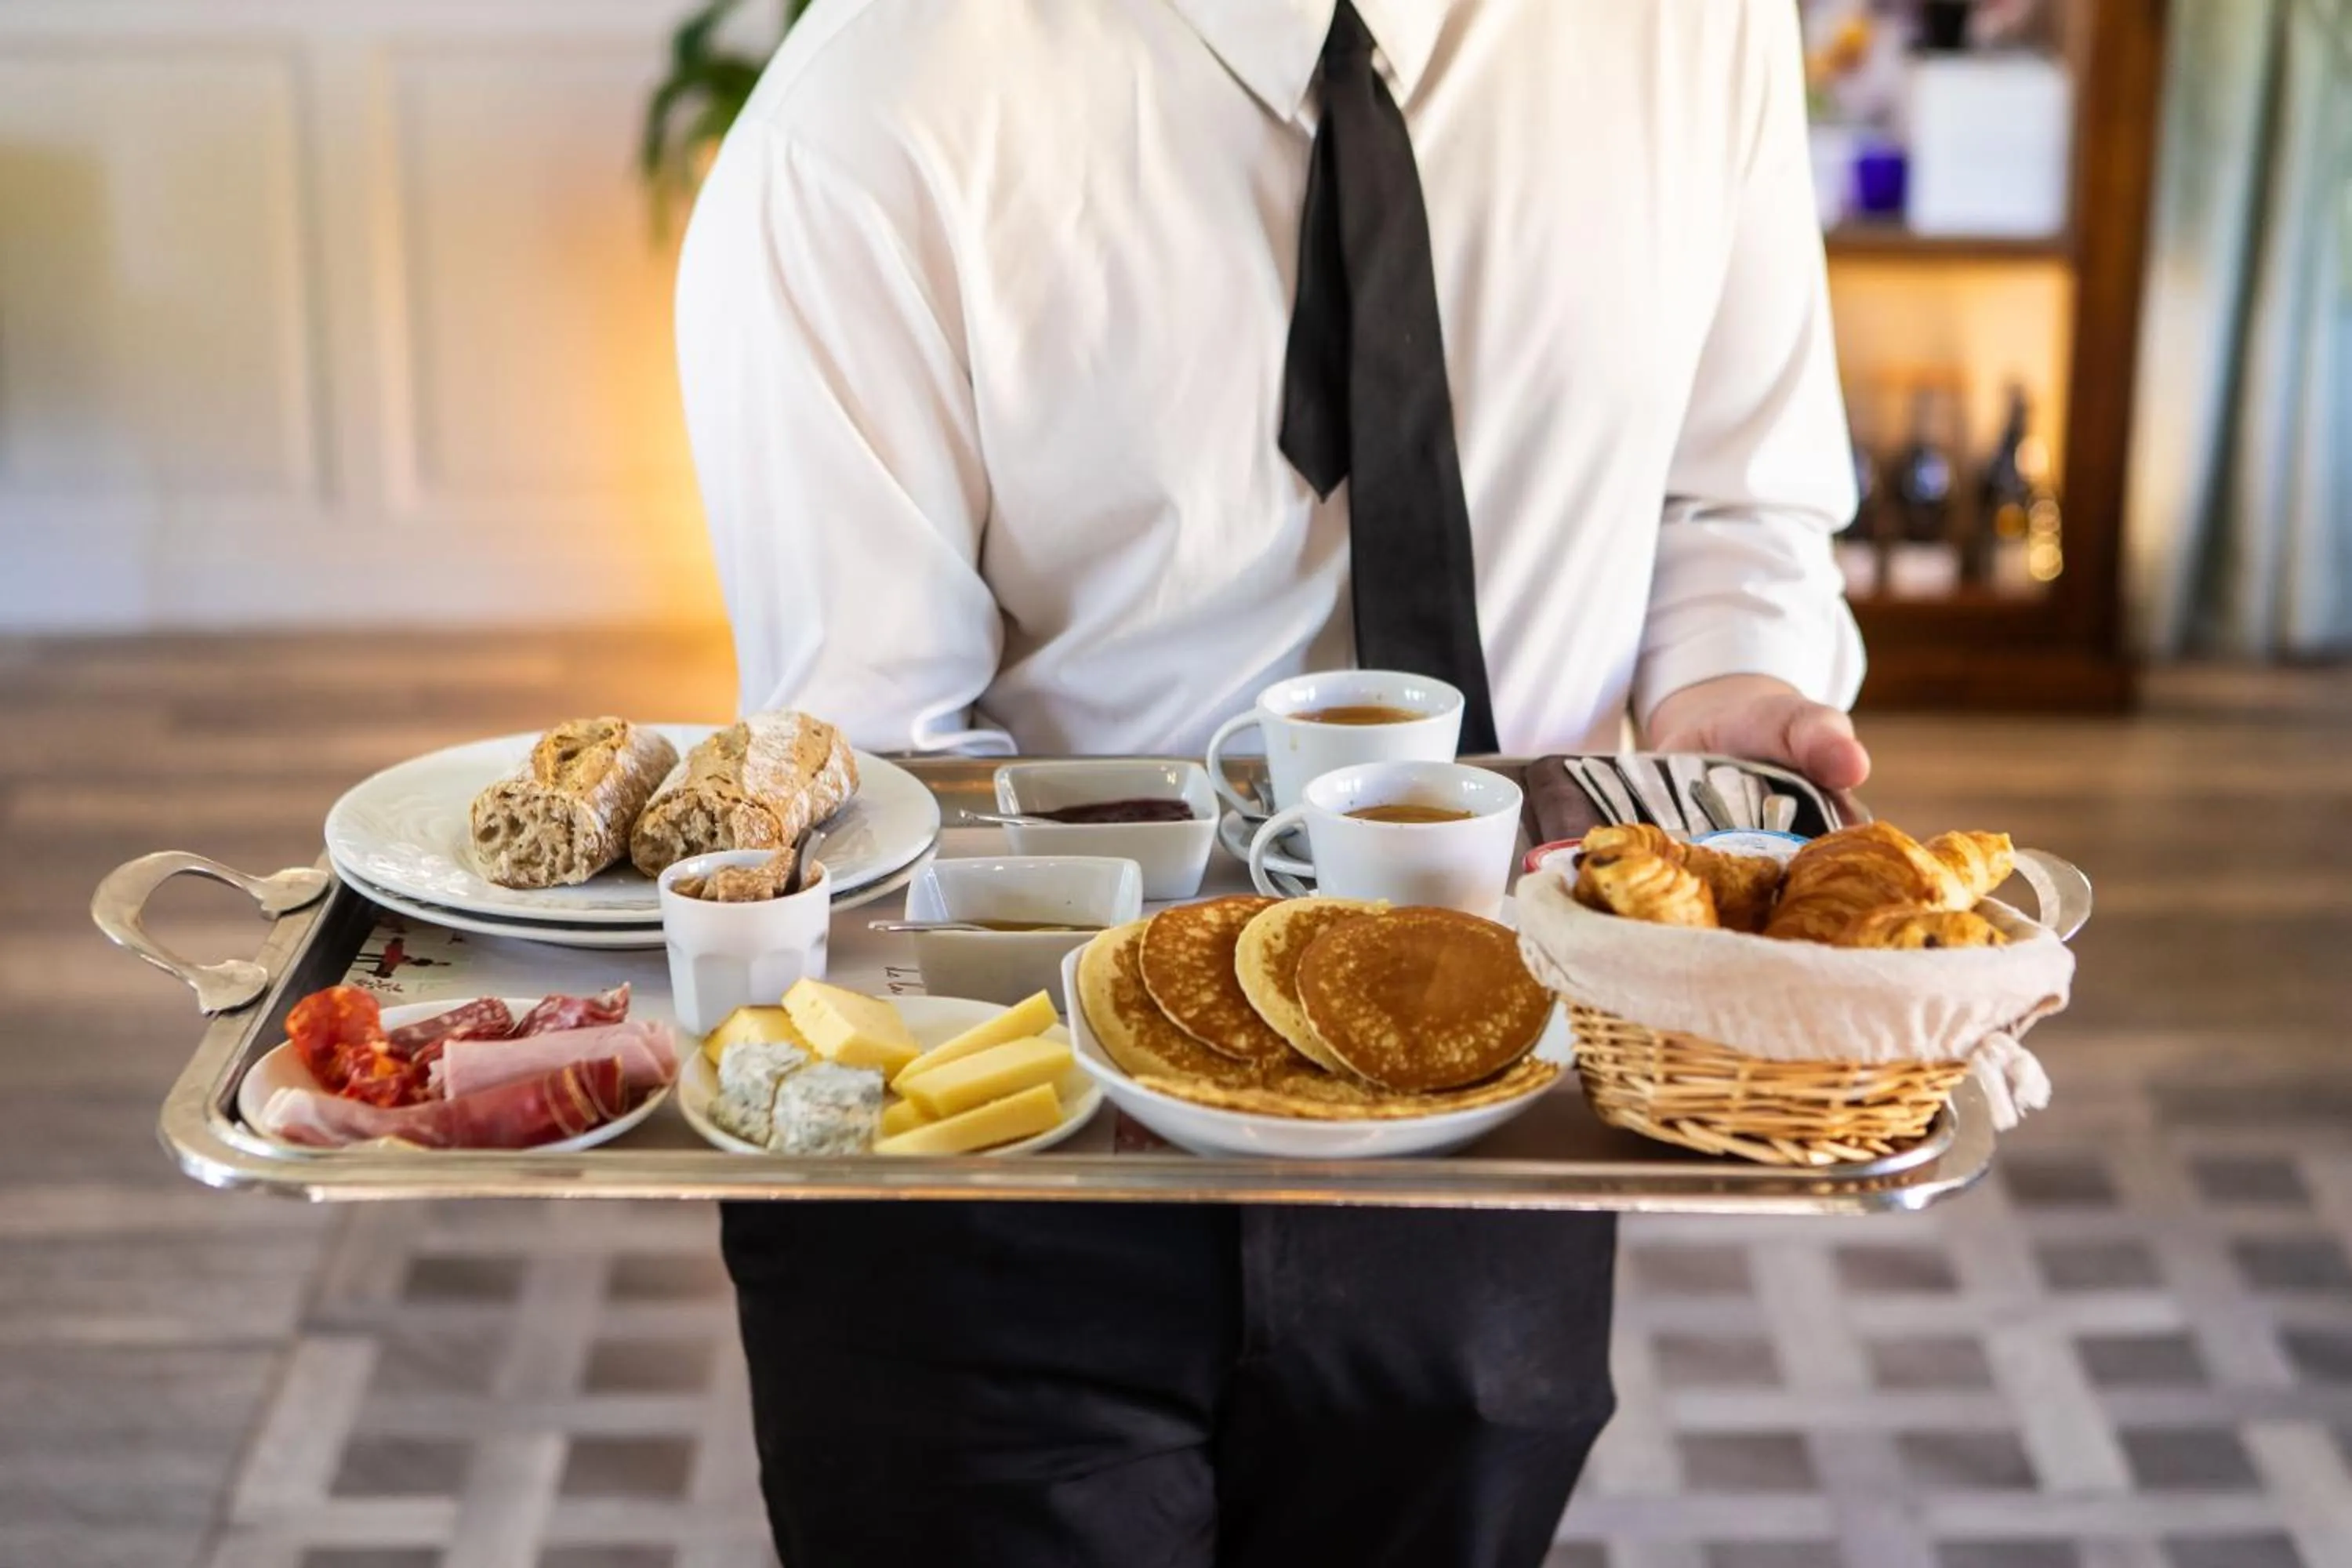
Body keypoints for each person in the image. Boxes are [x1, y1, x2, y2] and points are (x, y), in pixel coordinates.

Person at [674, 2, 1871, 1564]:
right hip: (1003, 1150)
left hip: (1489, 1112)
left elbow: (1735, 498)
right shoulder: (880, 95)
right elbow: (880, 755)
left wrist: (1733, 692)